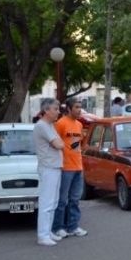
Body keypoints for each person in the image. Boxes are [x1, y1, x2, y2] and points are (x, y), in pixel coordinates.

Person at [53, 98, 88, 239]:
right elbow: (54, 144)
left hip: (78, 166)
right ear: (68, 108)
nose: (79, 110)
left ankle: (73, 226)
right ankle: (58, 227)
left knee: (75, 199)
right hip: (65, 167)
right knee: (62, 200)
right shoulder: (60, 124)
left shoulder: (79, 125)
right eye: (76, 107)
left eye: (80, 107)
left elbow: (79, 145)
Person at [33, 98, 65, 246]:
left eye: (58, 109)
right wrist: (59, 144)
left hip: (55, 167)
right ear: (46, 110)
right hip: (48, 167)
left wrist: (59, 144)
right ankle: (43, 235)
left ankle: (48, 231)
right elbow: (59, 144)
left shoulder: (51, 125)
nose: (58, 111)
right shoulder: (42, 126)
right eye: (55, 109)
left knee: (54, 201)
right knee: (46, 202)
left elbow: (60, 144)